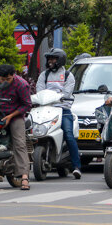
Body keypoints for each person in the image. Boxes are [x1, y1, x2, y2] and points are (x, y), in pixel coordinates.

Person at [0, 63, 32, 190]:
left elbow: (27, 105)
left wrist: (10, 116)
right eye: (2, 79)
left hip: (15, 116)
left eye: (7, 79)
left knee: (19, 143)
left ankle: (24, 176)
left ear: (13, 76)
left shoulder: (22, 84)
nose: (4, 82)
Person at [36, 47, 81, 179]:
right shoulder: (43, 75)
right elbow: (40, 91)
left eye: (53, 59)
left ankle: (77, 166)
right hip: (46, 109)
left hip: (63, 110)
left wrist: (56, 97)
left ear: (60, 60)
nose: (50, 61)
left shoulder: (68, 75)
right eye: (49, 59)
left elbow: (66, 93)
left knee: (68, 134)